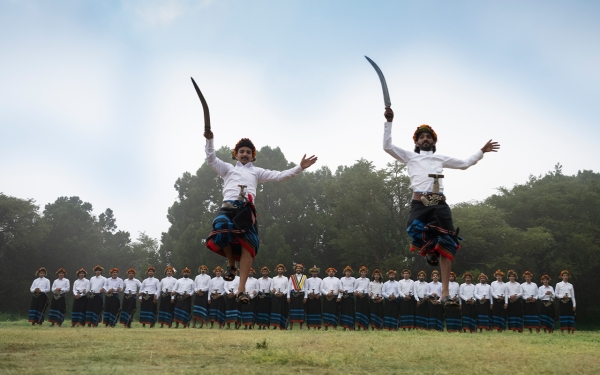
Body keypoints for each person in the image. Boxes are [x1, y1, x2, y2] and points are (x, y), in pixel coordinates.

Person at [382, 107, 500, 305]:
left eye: (429, 137)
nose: (425, 139)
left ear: (434, 141)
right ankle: (430, 250)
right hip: (420, 204)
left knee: (447, 243)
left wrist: (482, 151)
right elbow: (387, 146)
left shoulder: (440, 158)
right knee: (413, 229)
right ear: (416, 142)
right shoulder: (410, 156)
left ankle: (445, 293)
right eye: (422, 137)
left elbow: (464, 163)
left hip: (440, 203)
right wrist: (389, 122)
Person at [203, 129, 317, 304]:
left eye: (248, 152)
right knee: (220, 227)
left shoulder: (257, 172)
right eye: (241, 152)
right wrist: (210, 140)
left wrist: (300, 167)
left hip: (246, 210)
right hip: (228, 207)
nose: (245, 154)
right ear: (236, 154)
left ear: (253, 156)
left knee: (248, 246)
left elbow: (279, 176)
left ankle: (241, 291)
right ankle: (231, 264)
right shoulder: (227, 169)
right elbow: (211, 159)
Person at [287, 264, 307, 330]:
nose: (298, 269)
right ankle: (291, 327)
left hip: (301, 295)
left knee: (301, 311)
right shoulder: (292, 277)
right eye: (297, 268)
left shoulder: (304, 277)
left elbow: (306, 287)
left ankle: (301, 327)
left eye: (300, 268)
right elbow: (289, 287)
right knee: (292, 311)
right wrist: (288, 296)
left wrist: (305, 297)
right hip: (293, 295)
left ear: (302, 269)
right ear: (295, 269)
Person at [270, 264, 288, 330]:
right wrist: (274, 292)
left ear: (283, 270)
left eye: (281, 269)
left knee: (282, 310)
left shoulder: (286, 278)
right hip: (275, 296)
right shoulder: (274, 278)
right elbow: (271, 287)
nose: (280, 270)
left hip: (282, 296)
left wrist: (283, 293)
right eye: (279, 269)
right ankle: (274, 325)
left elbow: (287, 288)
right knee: (275, 310)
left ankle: (282, 326)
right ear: (277, 270)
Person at [305, 265, 323, 330]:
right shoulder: (308, 280)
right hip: (310, 298)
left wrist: (319, 294)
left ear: (317, 273)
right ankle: (309, 326)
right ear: (311, 272)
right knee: (310, 311)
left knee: (317, 311)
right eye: (313, 272)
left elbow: (321, 289)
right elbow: (306, 288)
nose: (314, 273)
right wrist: (309, 293)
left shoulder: (320, 280)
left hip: (317, 298)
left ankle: (316, 325)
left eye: (316, 272)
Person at [339, 266, 356, 331]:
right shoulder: (342, 279)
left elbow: (355, 288)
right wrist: (340, 294)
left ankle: (351, 326)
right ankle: (344, 326)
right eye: (347, 272)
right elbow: (340, 288)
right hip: (344, 296)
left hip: (350, 296)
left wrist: (355, 292)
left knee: (351, 311)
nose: (348, 273)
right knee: (344, 311)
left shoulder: (353, 279)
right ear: (345, 272)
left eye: (349, 272)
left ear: (351, 273)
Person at [354, 266, 370, 331]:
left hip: (365, 296)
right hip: (359, 297)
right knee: (359, 311)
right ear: (360, 273)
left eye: (364, 272)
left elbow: (369, 289)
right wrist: (357, 293)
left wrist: (365, 294)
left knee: (365, 311)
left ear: (366, 273)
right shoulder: (357, 280)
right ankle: (358, 327)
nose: (363, 273)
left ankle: (365, 327)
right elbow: (354, 288)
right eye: (362, 272)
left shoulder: (368, 280)